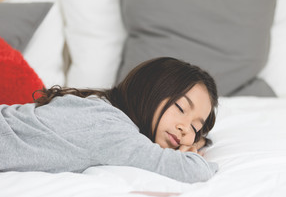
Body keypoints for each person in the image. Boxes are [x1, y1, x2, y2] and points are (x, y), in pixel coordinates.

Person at [0, 57, 218, 183]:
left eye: (195, 128)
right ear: (148, 91)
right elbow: (192, 171)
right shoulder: (107, 126)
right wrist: (193, 157)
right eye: (180, 107)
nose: (184, 130)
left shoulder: (99, 107)